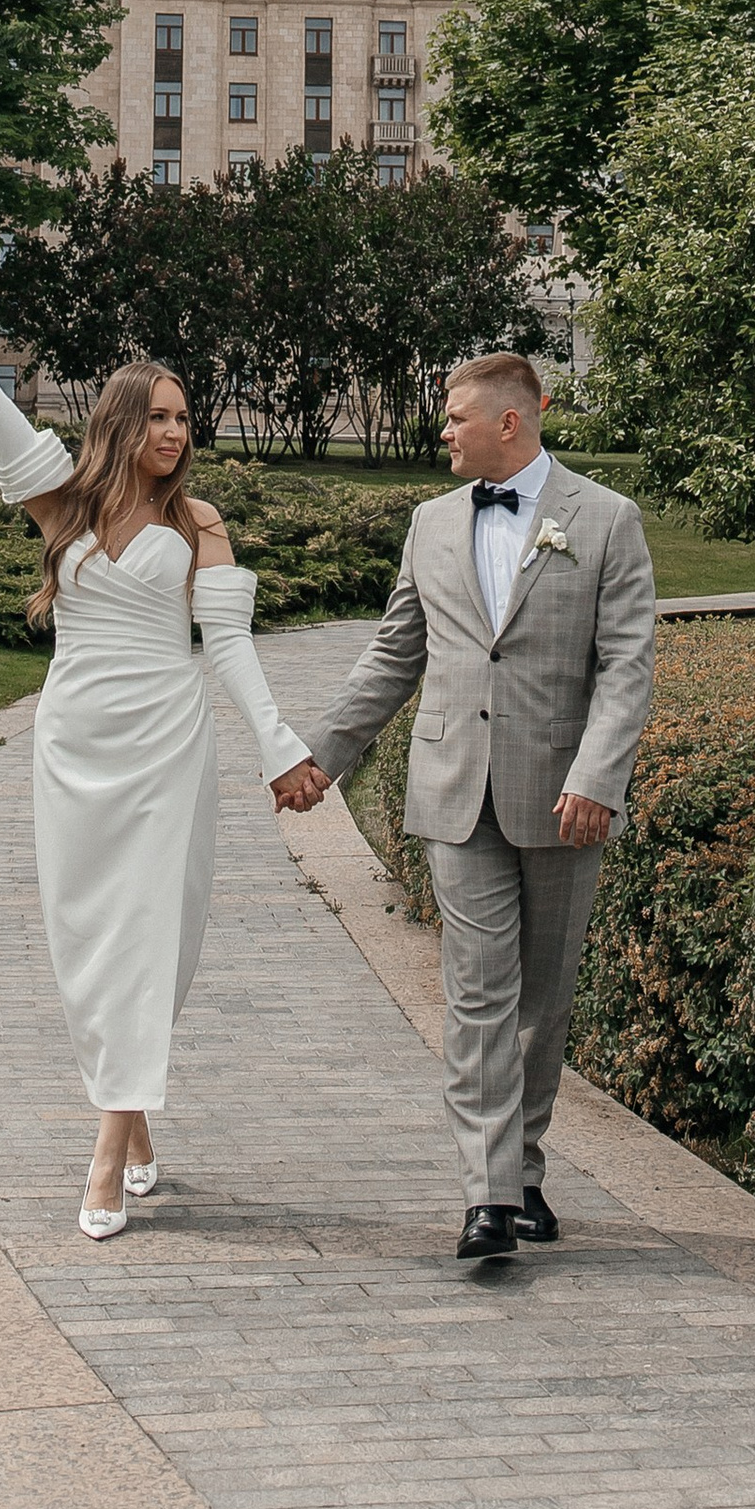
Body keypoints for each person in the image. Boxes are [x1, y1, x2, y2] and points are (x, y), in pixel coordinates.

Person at [0, 268, 314, 1236]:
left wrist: (279, 750)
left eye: (183, 418)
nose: (175, 433)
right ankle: (139, 1131)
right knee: (89, 943)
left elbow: (232, 648)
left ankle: (102, 1156)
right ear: (123, 423)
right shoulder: (62, 505)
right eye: (159, 417)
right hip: (75, 740)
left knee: (151, 937)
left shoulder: (199, 524)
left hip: (168, 743)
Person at [279, 349, 657, 1264]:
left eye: (454, 418)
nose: (440, 432)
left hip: (564, 800)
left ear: (510, 424)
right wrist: (321, 757)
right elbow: (392, 655)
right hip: (456, 796)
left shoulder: (606, 522)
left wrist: (598, 777)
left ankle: (524, 1168)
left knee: (545, 997)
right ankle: (487, 1196)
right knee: (478, 994)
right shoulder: (430, 525)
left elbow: (627, 666)